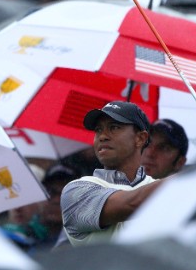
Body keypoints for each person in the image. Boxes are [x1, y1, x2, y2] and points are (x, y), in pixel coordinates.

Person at [61, 101, 161, 246]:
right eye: (98, 130)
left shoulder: (162, 188)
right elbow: (132, 203)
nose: (103, 136)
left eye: (114, 127)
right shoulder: (76, 191)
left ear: (140, 138)